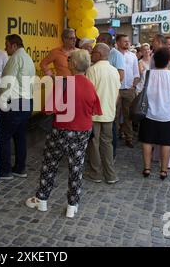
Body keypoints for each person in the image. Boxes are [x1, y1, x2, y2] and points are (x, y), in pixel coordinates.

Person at [25, 50, 102, 218]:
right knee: (76, 167)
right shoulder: (90, 85)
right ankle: (72, 206)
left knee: (49, 164)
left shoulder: (64, 83)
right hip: (82, 131)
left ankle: (42, 200)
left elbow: (48, 109)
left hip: (61, 130)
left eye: (69, 60)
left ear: (73, 64)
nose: (67, 61)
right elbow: (95, 110)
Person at [139, 48, 170, 180]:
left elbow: (139, 90)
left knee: (147, 141)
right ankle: (163, 170)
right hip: (166, 115)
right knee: (166, 143)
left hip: (148, 113)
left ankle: (146, 168)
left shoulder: (147, 73)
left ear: (154, 60)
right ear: (169, 61)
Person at [0, 34, 36, 179]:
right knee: (20, 136)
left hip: (14, 102)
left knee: (4, 136)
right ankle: (20, 168)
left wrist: (1, 101)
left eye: (7, 45)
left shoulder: (15, 58)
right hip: (27, 101)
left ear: (14, 45)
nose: (5, 48)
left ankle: (5, 170)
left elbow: (7, 82)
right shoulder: (28, 58)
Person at [84, 43, 120, 184]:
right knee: (107, 144)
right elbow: (117, 94)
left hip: (94, 114)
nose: (91, 55)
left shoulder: (92, 70)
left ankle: (96, 173)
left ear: (99, 54)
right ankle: (110, 175)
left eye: (93, 52)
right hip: (109, 113)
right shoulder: (114, 71)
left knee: (94, 143)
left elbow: (88, 94)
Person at [115, 34, 140, 148]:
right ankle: (114, 137)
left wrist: (134, 86)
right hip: (116, 90)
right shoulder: (113, 55)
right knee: (114, 115)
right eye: (124, 41)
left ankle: (129, 138)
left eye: (128, 41)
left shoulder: (133, 56)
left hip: (129, 89)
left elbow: (136, 73)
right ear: (118, 42)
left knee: (128, 116)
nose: (127, 43)